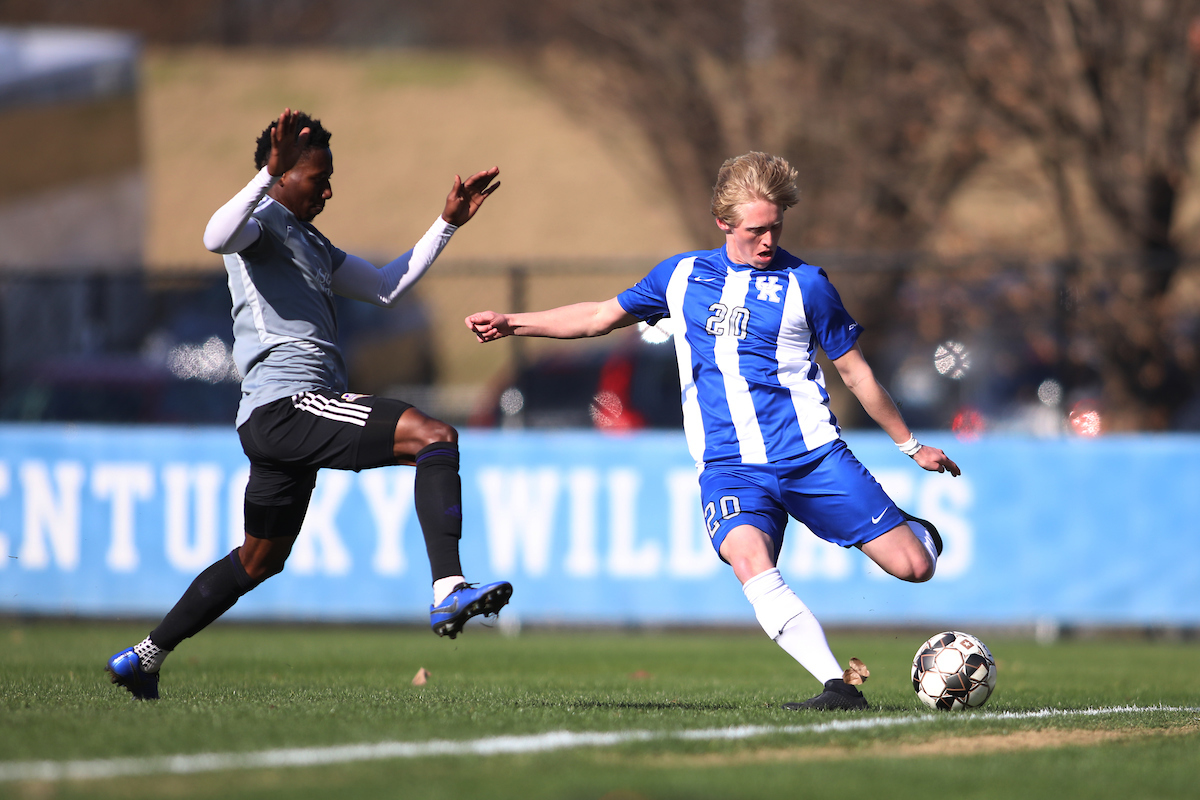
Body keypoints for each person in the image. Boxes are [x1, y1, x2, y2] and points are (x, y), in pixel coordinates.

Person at [465, 151, 959, 711]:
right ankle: (838, 687)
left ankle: (913, 531)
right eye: (755, 230)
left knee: (914, 568)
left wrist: (911, 445)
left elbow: (855, 371)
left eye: (775, 227)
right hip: (729, 466)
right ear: (723, 223)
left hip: (812, 457)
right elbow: (600, 316)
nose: (768, 240)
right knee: (749, 558)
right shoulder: (681, 276)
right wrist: (514, 323)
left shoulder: (808, 285)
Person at [107, 109, 512, 700]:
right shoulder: (259, 224)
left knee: (257, 560)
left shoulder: (312, 241)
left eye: (329, 176)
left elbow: (385, 287)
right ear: (278, 174)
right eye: (315, 176)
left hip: (274, 420)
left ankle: (145, 655)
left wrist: (445, 224)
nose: (327, 188)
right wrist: (260, 181)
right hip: (292, 404)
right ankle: (448, 586)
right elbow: (213, 236)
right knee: (434, 437)